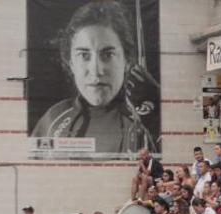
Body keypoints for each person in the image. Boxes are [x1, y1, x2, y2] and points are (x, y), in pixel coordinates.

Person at [32, 0, 156, 156]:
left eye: (108, 54)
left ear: (127, 61)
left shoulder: (146, 121)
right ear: (71, 63)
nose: (96, 70)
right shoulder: (53, 119)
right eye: (84, 55)